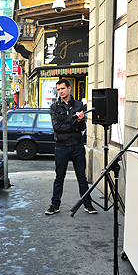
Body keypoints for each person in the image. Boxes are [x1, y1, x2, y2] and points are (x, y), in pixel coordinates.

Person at [45, 79, 96, 216]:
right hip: (61, 147)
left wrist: (79, 121)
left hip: (77, 145)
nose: (61, 92)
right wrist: (73, 123)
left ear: (69, 89)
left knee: (82, 178)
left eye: (62, 88)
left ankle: (88, 204)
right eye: (58, 89)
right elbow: (57, 128)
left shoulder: (79, 105)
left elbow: (82, 127)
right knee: (59, 178)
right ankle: (54, 205)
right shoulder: (55, 107)